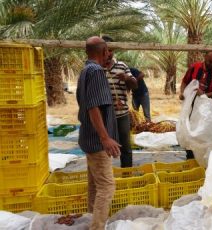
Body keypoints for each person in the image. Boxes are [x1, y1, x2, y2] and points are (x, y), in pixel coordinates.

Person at [76, 36, 121, 230]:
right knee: (107, 186)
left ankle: (92, 219)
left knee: (95, 184)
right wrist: (105, 138)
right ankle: (97, 226)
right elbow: (93, 107)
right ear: (104, 52)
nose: (109, 55)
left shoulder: (85, 71)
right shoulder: (96, 72)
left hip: (88, 136)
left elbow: (88, 103)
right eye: (108, 51)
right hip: (96, 140)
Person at [179, 52, 212, 159]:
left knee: (204, 131)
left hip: (206, 109)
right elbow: (185, 82)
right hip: (191, 106)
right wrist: (182, 93)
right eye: (210, 62)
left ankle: (203, 156)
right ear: (205, 58)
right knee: (190, 130)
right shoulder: (195, 67)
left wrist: (203, 95)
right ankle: (190, 157)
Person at [102, 35, 138, 168]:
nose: (109, 53)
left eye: (111, 50)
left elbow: (135, 85)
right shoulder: (96, 68)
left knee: (125, 147)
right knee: (102, 148)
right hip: (103, 116)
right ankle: (106, 177)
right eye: (106, 50)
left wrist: (127, 79)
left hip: (121, 114)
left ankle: (127, 175)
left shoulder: (122, 66)